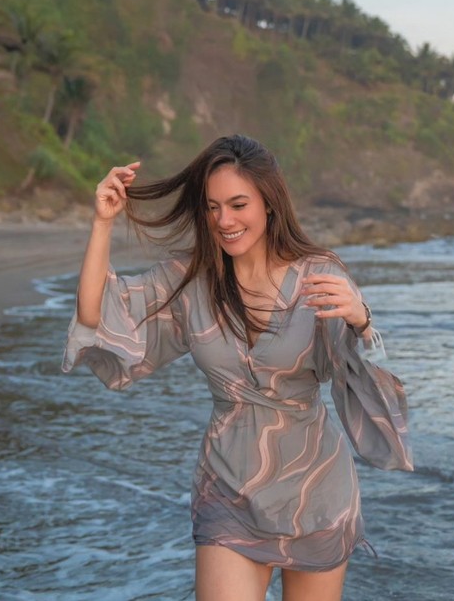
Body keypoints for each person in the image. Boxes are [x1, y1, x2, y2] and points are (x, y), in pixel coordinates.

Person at [62, 134, 412, 601]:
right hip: (228, 487)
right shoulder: (190, 282)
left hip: (316, 493)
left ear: (269, 203)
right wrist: (102, 223)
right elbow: (95, 316)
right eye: (212, 207)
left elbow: (360, 376)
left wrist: (361, 320)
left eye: (238, 204)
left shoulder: (318, 275)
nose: (224, 220)